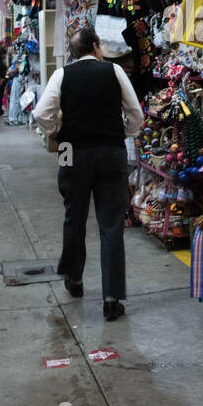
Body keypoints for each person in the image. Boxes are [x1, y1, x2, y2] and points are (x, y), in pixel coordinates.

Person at [32, 27, 143, 321]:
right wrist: (124, 132)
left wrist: (57, 131)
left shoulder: (62, 75)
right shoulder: (114, 71)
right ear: (95, 46)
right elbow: (136, 115)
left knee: (74, 215)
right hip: (111, 150)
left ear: (73, 52)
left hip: (72, 150)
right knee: (110, 224)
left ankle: (74, 279)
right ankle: (111, 298)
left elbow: (40, 114)